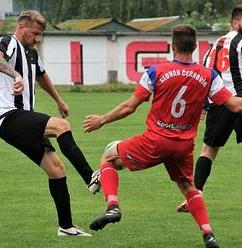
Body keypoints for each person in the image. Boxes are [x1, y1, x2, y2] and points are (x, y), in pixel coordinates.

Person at [83, 24, 242, 248]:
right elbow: (235, 105)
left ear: (172, 46)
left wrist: (102, 119)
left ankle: (112, 206)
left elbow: (129, 107)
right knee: (189, 188)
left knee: (109, 155)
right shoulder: (209, 75)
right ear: (195, 46)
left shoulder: (156, 71)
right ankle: (208, 234)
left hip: (155, 141)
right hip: (184, 145)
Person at [0, 10, 100, 236]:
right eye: (35, 33)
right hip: (8, 115)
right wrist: (15, 75)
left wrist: (59, 100)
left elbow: (41, 75)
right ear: (22, 27)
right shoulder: (9, 41)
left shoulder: (31, 52)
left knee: (56, 169)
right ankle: (90, 177)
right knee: (61, 126)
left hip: (20, 118)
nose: (37, 38)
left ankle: (66, 227)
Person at [176, 5, 242, 213]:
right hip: (239, 101)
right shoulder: (240, 41)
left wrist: (206, 103)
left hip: (218, 102)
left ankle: (195, 196)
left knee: (209, 151)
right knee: (209, 150)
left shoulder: (215, 44)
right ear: (235, 22)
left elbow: (207, 71)